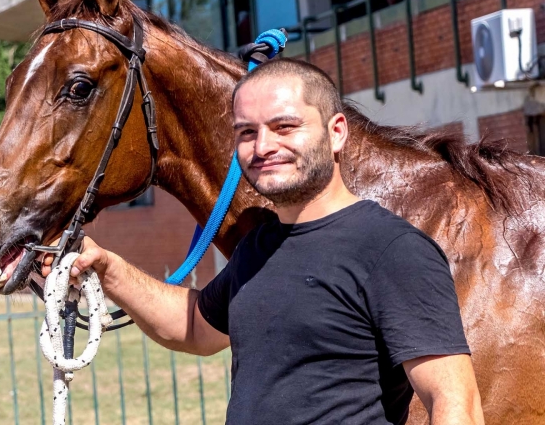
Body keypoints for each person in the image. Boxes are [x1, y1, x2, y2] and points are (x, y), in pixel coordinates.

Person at [44, 58, 484, 424]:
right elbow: (197, 327)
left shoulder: (391, 249)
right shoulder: (260, 246)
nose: (263, 146)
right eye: (247, 132)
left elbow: (455, 402)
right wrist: (107, 267)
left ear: (337, 133)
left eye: (285, 126)